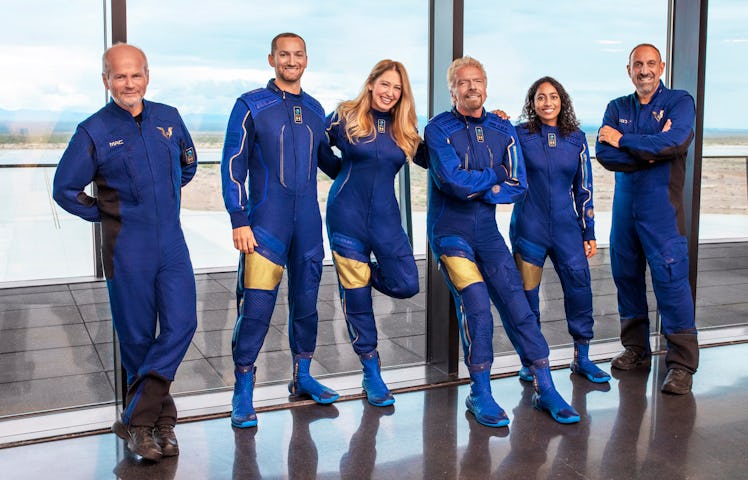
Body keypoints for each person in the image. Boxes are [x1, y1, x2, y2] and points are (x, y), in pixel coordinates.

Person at [53, 43, 198, 461]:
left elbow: (187, 165)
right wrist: (107, 212)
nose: (128, 83)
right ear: (106, 81)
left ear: (147, 76)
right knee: (136, 339)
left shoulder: (169, 118)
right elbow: (65, 189)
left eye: (135, 74)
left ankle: (134, 419)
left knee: (182, 324)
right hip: (126, 246)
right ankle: (159, 425)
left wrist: (165, 199)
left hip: (171, 242)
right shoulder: (93, 131)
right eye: (119, 76)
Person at [423, 56, 580, 426]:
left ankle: (545, 387)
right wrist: (493, 176)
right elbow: (452, 182)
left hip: (488, 234)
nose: (471, 87)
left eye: (477, 80)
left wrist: (480, 186)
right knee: (477, 305)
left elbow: (518, 184)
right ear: (452, 90)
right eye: (463, 82)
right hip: (450, 235)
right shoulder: (437, 128)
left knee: (518, 305)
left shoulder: (502, 128)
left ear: (486, 85)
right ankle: (479, 392)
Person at [221, 32, 340, 429]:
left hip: (307, 225)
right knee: (255, 309)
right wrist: (239, 219)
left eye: (298, 54)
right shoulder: (251, 105)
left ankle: (302, 376)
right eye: (284, 55)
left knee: (306, 305)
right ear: (272, 59)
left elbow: (330, 161)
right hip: (264, 227)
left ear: (307, 59)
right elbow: (233, 164)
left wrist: (369, 156)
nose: (292, 60)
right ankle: (243, 389)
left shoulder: (316, 107)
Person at [596, 43, 698, 394]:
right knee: (626, 276)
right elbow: (604, 155)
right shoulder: (617, 106)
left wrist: (624, 139)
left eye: (651, 63)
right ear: (629, 70)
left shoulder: (679, 102)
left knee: (671, 281)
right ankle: (636, 349)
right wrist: (651, 150)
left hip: (662, 213)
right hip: (625, 212)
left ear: (662, 67)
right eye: (637, 64)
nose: (644, 70)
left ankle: (682, 364)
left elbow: (675, 142)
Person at [325, 60, 424, 407]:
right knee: (357, 300)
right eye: (385, 85)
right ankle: (372, 372)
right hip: (345, 216)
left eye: (397, 88)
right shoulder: (345, 116)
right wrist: (343, 176)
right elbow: (321, 153)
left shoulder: (404, 126)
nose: (390, 93)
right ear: (370, 84)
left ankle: (357, 278)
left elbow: (434, 155)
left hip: (386, 220)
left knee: (407, 282)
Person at [511, 76, 610, 384]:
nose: (547, 102)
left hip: (568, 230)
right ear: (532, 103)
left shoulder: (576, 138)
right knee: (527, 298)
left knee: (580, 290)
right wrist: (497, 116)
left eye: (553, 97)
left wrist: (589, 230)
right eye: (541, 97)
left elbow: (585, 188)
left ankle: (582, 358)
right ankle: (531, 361)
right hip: (529, 227)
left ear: (562, 101)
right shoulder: (519, 134)